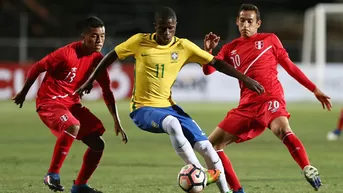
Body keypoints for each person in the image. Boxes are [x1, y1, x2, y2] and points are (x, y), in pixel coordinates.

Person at [76, 7, 264, 193]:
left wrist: (245, 79)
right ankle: (199, 172)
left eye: (170, 28)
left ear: (175, 27)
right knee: (172, 123)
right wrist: (90, 80)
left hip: (170, 106)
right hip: (142, 109)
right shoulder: (139, 41)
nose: (166, 32)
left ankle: (226, 191)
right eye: (162, 28)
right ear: (154, 26)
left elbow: (216, 63)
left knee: (207, 147)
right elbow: (111, 56)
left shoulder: (183, 46)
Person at [201, 4, 332, 193]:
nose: (246, 24)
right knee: (210, 146)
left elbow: (290, 67)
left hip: (270, 98)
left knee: (281, 129)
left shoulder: (270, 40)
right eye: (242, 20)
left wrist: (314, 89)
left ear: (258, 23)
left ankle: (307, 167)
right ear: (237, 22)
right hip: (246, 106)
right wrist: (208, 52)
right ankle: (237, 190)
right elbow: (208, 70)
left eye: (250, 21)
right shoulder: (231, 48)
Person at [12, 16, 128, 193]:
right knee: (73, 125)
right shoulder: (66, 54)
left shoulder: (98, 60)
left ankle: (80, 186)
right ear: (84, 36)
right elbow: (37, 67)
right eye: (94, 36)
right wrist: (23, 92)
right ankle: (52, 174)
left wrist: (116, 120)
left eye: (102, 36)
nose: (99, 40)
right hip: (49, 102)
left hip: (71, 104)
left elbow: (107, 90)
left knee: (98, 144)